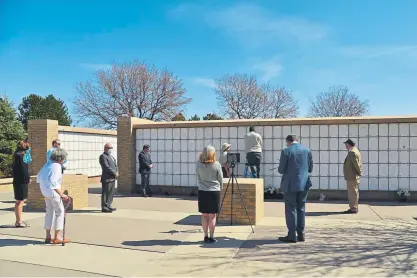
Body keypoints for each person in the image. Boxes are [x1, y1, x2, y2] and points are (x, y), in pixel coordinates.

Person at [278, 135, 313, 243]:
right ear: (296, 140)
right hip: (304, 183)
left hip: (290, 185)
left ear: (288, 141)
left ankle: (292, 234)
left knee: (290, 209)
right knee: (301, 208)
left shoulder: (286, 151)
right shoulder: (307, 150)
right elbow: (310, 168)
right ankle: (301, 234)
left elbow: (281, 170)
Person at [36, 148, 70, 244]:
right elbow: (54, 182)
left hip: (45, 191)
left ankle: (48, 236)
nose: (65, 160)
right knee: (60, 212)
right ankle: (57, 237)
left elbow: (38, 178)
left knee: (49, 212)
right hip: (53, 192)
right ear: (60, 157)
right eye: (64, 158)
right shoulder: (56, 166)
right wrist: (62, 194)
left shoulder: (47, 165)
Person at [196, 146, 223, 244]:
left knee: (204, 215)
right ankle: (211, 236)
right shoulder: (216, 164)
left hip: (202, 191)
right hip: (214, 191)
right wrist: (221, 187)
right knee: (212, 216)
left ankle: (205, 236)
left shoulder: (199, 164)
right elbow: (220, 178)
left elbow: (198, 177)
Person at [11, 140, 31, 228]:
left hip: (17, 180)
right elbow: (24, 170)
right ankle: (19, 222)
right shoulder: (21, 156)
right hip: (21, 181)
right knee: (20, 201)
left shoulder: (16, 155)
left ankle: (18, 221)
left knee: (19, 201)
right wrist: (28, 178)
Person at [343, 139, 362, 214]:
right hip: (353, 176)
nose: (345, 146)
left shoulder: (352, 152)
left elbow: (356, 164)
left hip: (352, 176)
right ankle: (354, 207)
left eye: (346, 145)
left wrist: (359, 172)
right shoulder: (356, 150)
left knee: (352, 193)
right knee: (354, 192)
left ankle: (353, 208)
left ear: (349, 145)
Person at [99, 143, 118, 213]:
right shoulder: (103, 156)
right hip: (107, 178)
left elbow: (115, 166)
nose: (111, 149)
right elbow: (106, 167)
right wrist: (114, 172)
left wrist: (116, 172)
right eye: (110, 148)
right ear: (105, 148)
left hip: (113, 178)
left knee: (111, 193)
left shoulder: (111, 157)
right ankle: (104, 207)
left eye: (111, 148)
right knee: (105, 193)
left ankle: (109, 205)